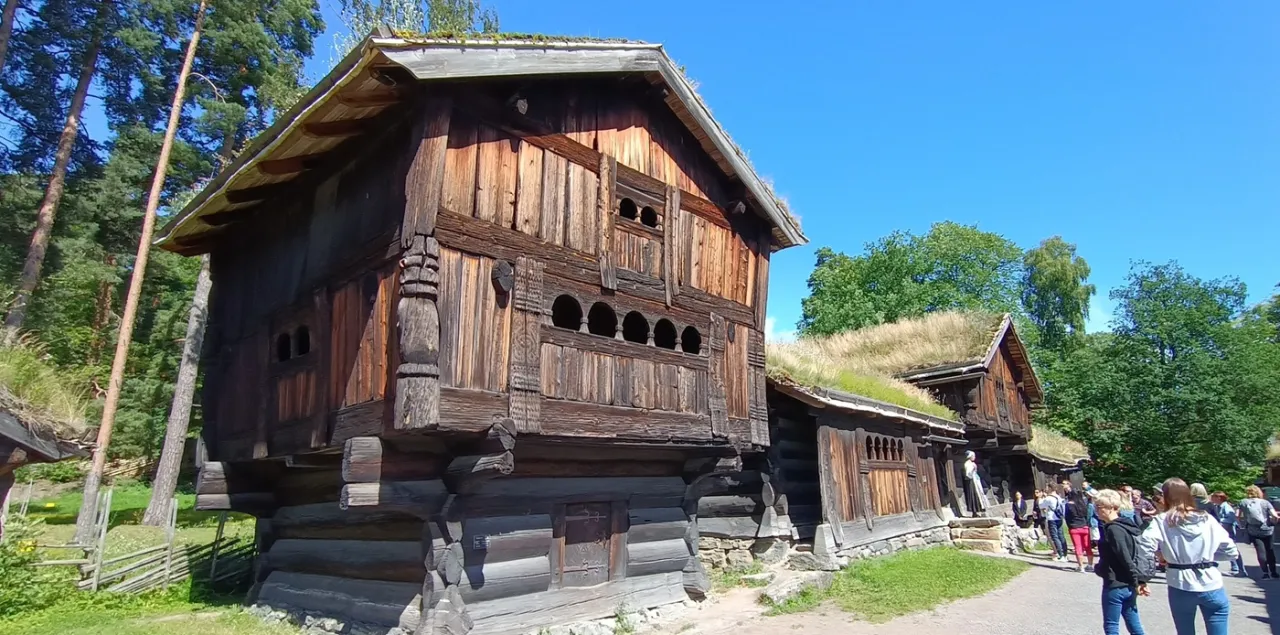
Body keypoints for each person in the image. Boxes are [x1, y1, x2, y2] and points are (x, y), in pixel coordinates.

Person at [1143, 478, 1237, 635]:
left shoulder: (1162, 520)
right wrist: (1207, 557)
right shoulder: (1207, 518)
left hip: (1180, 583)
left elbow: (1145, 546)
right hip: (1211, 582)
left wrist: (1160, 555)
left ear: (1165, 497)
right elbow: (1231, 551)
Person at [1094, 489, 1151, 635]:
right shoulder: (1126, 525)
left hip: (1116, 583)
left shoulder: (1114, 529)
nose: (1097, 511)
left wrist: (1137, 581)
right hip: (1128, 584)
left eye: (1099, 507)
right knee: (1133, 623)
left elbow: (1124, 557)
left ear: (1112, 507)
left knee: (1111, 626)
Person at [1238, 484, 1279, 579]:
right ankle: (1274, 572)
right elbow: (1275, 516)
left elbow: (1238, 515)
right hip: (1267, 530)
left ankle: (1265, 573)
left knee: (1260, 551)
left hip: (1253, 530)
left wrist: (1242, 525)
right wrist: (1274, 523)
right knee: (1270, 550)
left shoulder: (1243, 502)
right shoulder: (1265, 502)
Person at [1210, 491, 1247, 577]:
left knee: (1232, 550)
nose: (1212, 499)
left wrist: (1218, 523)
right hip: (1224, 531)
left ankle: (1241, 570)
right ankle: (1235, 568)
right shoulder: (1218, 506)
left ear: (1219, 498)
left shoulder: (1226, 507)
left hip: (1228, 531)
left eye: (1213, 497)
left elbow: (1230, 519)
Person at [1065, 486, 1096, 572]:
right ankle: (1090, 565)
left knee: (1078, 547)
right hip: (1085, 527)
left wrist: (1070, 526)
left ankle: (1081, 566)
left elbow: (1067, 517)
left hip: (1074, 527)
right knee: (1088, 546)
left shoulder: (1068, 505)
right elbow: (1087, 516)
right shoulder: (1083, 504)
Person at [1040, 486, 1068, 561]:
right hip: (1059, 517)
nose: (1046, 489)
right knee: (1061, 535)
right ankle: (1065, 554)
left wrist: (1042, 497)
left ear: (1050, 488)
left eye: (1047, 488)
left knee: (1055, 536)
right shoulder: (1058, 497)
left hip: (1052, 518)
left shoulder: (1048, 498)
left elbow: (1041, 505)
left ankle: (1060, 555)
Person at [962, 451, 989, 517]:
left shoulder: (972, 463)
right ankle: (975, 511)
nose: (974, 457)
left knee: (979, 494)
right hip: (972, 481)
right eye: (973, 456)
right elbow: (968, 474)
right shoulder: (967, 464)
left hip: (976, 480)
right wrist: (973, 468)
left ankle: (981, 510)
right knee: (974, 495)